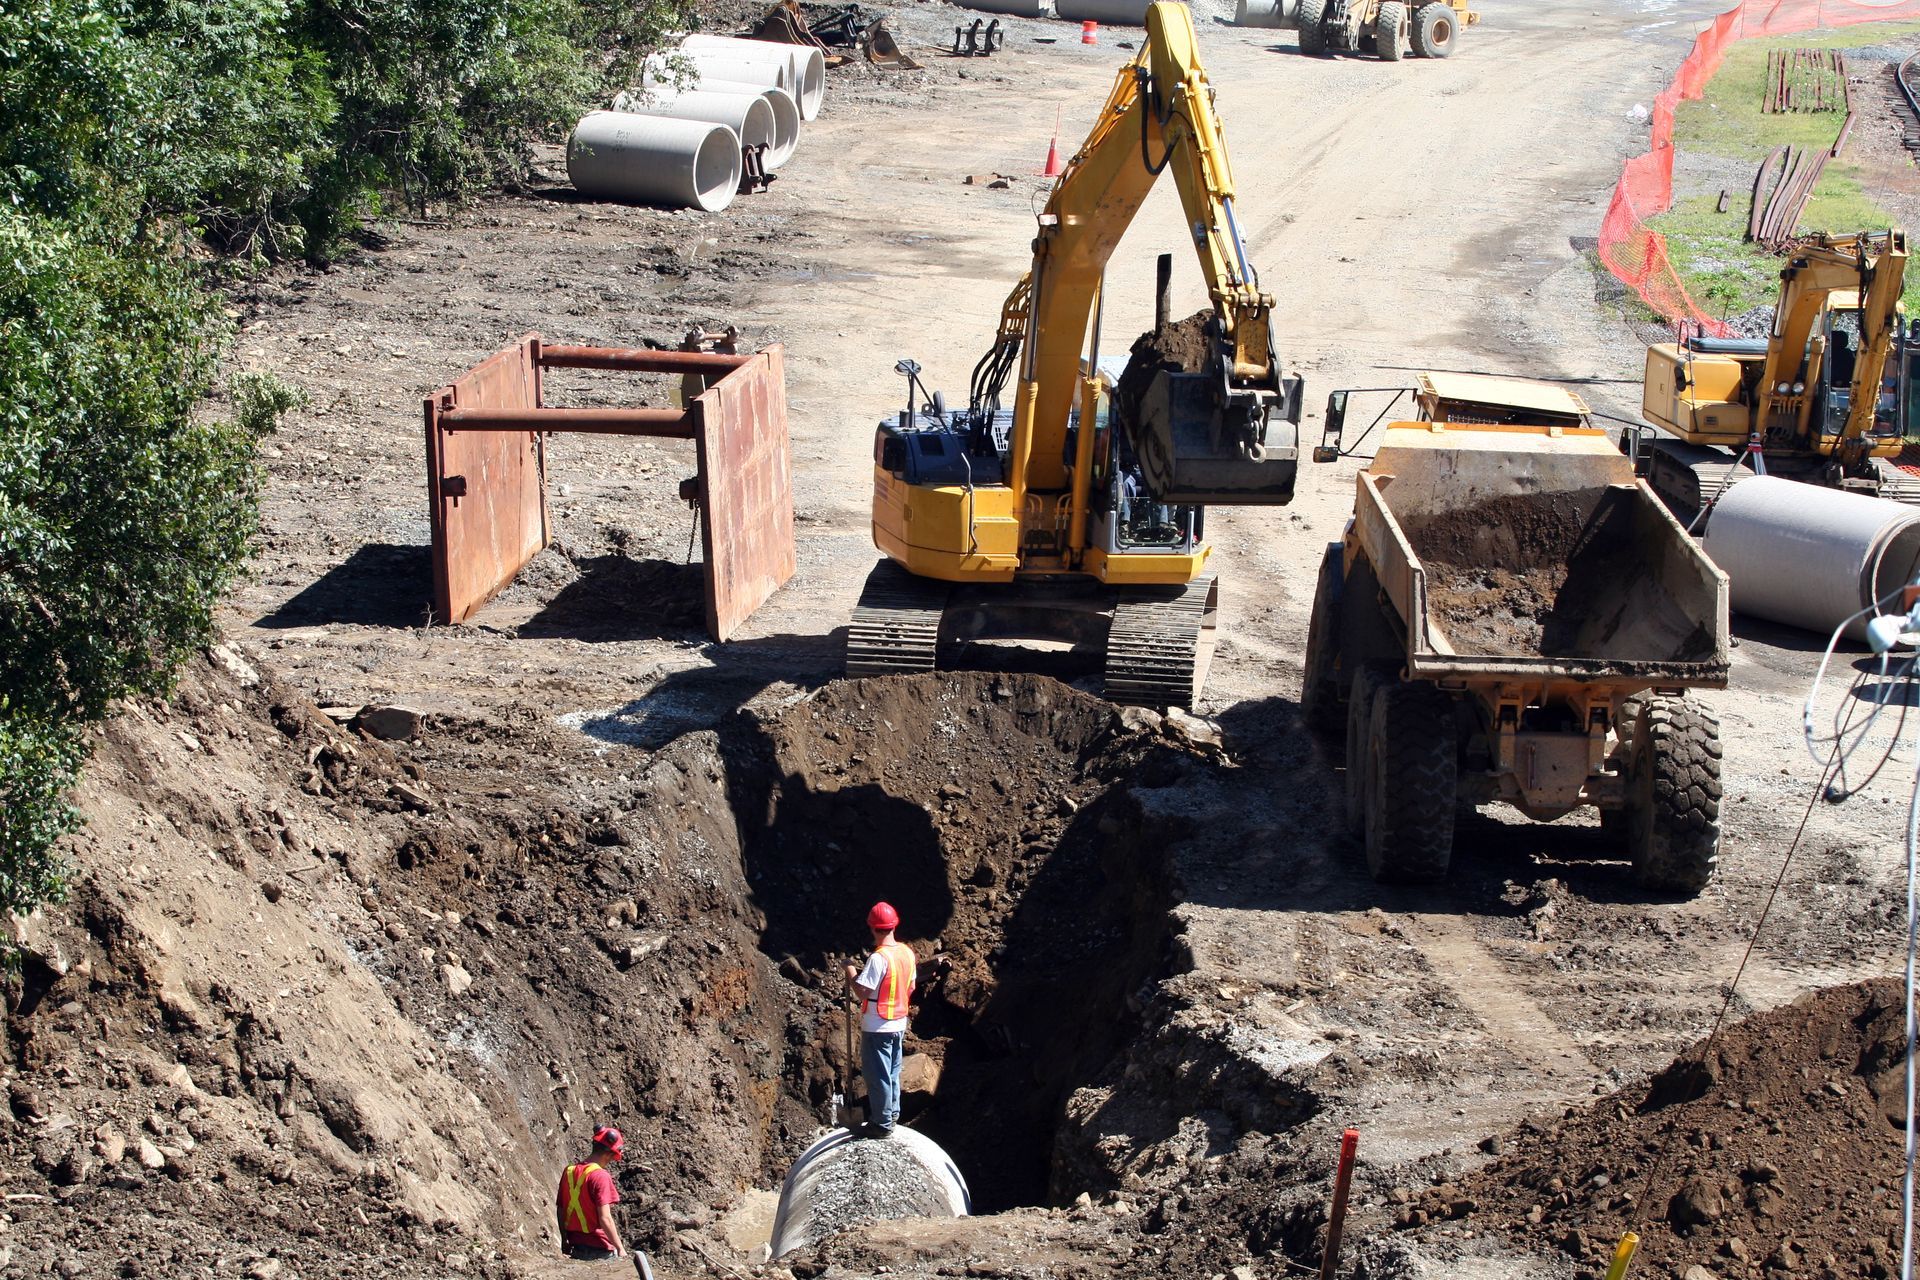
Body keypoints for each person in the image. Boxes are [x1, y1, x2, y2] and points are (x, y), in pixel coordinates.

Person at [843, 901, 917, 1139]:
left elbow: (863, 991)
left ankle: (882, 1123)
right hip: (899, 1022)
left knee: (877, 1075)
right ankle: (892, 1114)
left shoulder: (879, 958)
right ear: (894, 925)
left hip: (878, 1025)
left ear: (873, 928)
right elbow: (911, 985)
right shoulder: (907, 952)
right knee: (893, 1071)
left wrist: (850, 971)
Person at [556, 1125, 627, 1260]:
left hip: (577, 1249)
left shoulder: (569, 1172)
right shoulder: (600, 1176)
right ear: (608, 1154)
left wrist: (564, 1239)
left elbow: (561, 1209)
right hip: (601, 1249)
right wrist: (620, 1248)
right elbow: (605, 1218)